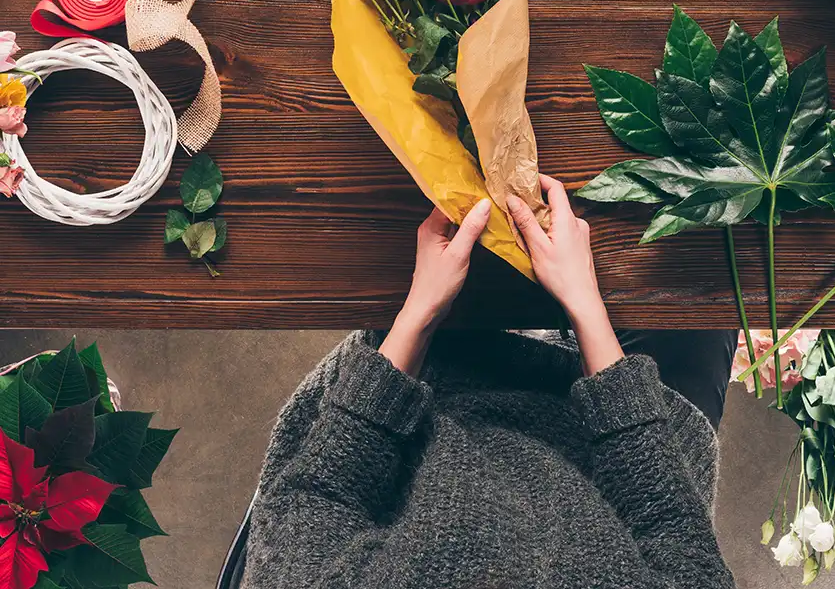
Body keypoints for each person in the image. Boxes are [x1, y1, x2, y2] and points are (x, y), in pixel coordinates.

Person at [241, 175, 738, 589]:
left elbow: (320, 496)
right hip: (629, 460)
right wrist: (585, 305)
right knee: (705, 238)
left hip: (432, 408)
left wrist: (422, 310)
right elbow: (675, 533)